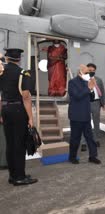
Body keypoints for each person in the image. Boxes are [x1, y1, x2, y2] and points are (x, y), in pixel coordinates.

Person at [0, 48, 38, 186]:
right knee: (19, 144)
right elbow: (26, 96)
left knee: (10, 144)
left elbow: (1, 94)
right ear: (19, 59)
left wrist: (1, 113)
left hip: (5, 109)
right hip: (18, 110)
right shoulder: (23, 72)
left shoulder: (2, 72)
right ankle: (20, 177)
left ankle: (13, 175)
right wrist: (30, 118)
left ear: (7, 58)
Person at [68, 64, 101, 165]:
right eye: (86, 72)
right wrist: (88, 88)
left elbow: (90, 98)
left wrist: (91, 89)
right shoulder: (72, 82)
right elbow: (77, 96)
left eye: (89, 73)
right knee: (75, 138)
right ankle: (72, 157)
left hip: (86, 115)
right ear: (80, 72)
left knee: (90, 138)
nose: (88, 74)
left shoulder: (87, 82)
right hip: (76, 116)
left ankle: (93, 156)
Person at [80, 63, 105, 152]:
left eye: (93, 71)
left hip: (96, 103)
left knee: (96, 123)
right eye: (90, 70)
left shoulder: (99, 80)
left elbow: (102, 91)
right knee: (85, 123)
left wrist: (103, 104)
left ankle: (96, 140)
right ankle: (83, 142)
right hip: (86, 103)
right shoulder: (83, 79)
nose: (91, 72)